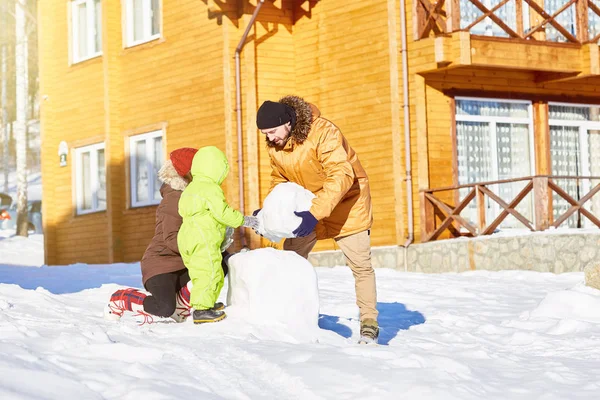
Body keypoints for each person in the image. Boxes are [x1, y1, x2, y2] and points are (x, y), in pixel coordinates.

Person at [255, 95, 379, 344]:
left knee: (360, 265)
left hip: (347, 203)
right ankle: (290, 315)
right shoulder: (276, 146)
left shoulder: (323, 132)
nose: (269, 138)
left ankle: (369, 323)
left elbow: (341, 174)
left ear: (288, 122)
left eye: (272, 131)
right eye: (265, 133)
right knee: (291, 259)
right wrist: (270, 211)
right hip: (309, 206)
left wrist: (314, 214)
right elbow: (279, 180)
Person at [103, 148, 234, 324]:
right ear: (189, 173)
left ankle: (182, 305)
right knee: (164, 308)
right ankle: (121, 298)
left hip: (184, 261)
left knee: (220, 261)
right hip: (161, 264)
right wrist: (203, 245)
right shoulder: (174, 199)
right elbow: (171, 238)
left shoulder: (199, 195)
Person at [177, 146, 259, 324]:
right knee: (211, 271)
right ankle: (201, 310)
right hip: (203, 238)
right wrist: (245, 220)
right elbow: (222, 212)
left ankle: (207, 303)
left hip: (187, 236)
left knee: (202, 272)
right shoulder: (210, 188)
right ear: (215, 168)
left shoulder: (191, 188)